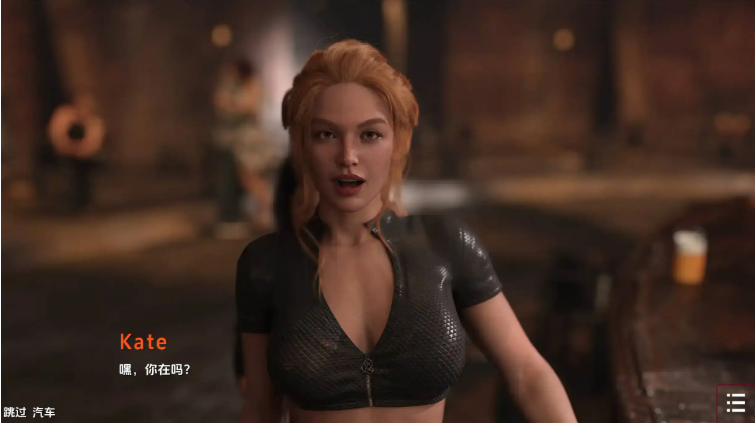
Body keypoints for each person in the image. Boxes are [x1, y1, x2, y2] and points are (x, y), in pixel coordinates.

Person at [235, 40, 578, 423]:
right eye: (326, 135)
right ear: (302, 145)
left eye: (369, 135)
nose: (348, 156)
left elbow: (528, 374)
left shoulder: (446, 244)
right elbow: (261, 407)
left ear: (397, 143)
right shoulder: (266, 264)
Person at [212, 60, 278, 239]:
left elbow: (250, 107)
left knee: (251, 178)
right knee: (246, 178)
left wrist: (232, 105)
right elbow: (219, 102)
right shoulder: (231, 86)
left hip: (250, 141)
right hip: (238, 141)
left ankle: (274, 211)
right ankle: (266, 213)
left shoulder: (252, 83)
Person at [47, 94, 105, 212]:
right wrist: (68, 148)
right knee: (67, 175)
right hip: (64, 154)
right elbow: (57, 135)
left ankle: (84, 201)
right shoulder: (64, 116)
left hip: (85, 157)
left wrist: (82, 150)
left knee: (83, 175)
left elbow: (94, 140)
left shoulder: (93, 120)